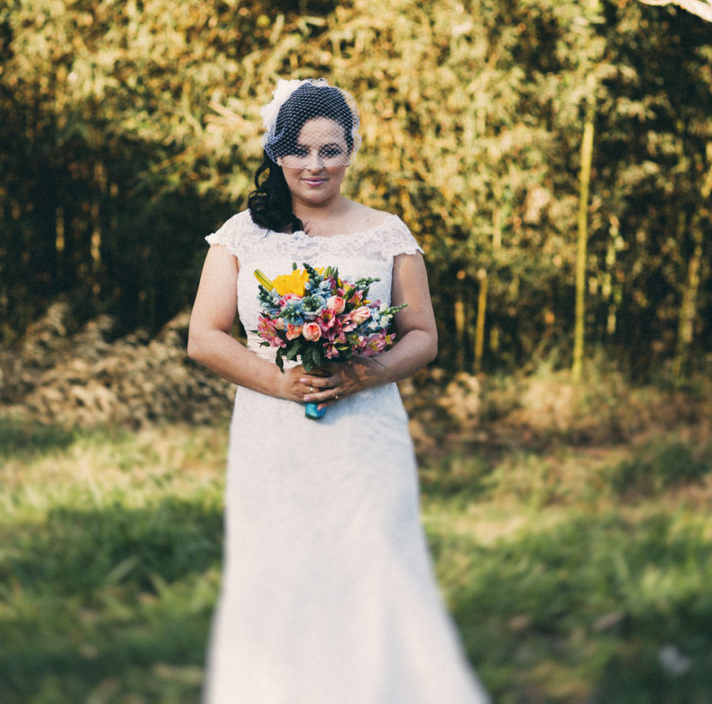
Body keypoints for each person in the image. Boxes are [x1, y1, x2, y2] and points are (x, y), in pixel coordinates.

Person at [188, 78, 488, 704]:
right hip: (273, 428)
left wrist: (363, 373)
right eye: (299, 149)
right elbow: (205, 338)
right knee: (279, 562)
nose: (316, 164)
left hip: (366, 430)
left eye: (331, 149)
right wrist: (281, 380)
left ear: (352, 151)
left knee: (374, 552)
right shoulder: (243, 234)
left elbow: (423, 335)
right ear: (275, 153)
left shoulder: (387, 232)